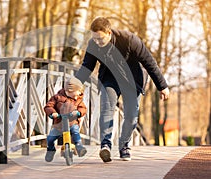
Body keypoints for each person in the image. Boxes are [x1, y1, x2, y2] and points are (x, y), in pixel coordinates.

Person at [75, 16, 170, 162]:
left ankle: (124, 145)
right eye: (95, 39)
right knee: (107, 109)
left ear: (109, 33)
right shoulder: (93, 44)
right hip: (109, 79)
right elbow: (87, 66)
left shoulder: (129, 40)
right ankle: (105, 145)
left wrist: (162, 86)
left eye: (100, 39)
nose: (97, 42)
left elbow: (149, 62)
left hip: (132, 80)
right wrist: (75, 83)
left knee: (131, 116)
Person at [44, 76, 87, 162]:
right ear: (69, 90)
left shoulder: (78, 100)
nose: (78, 94)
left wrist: (78, 113)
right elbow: (49, 106)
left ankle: (79, 146)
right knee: (50, 138)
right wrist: (53, 113)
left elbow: (83, 108)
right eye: (77, 92)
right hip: (59, 124)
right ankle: (51, 150)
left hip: (72, 122)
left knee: (75, 132)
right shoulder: (57, 97)